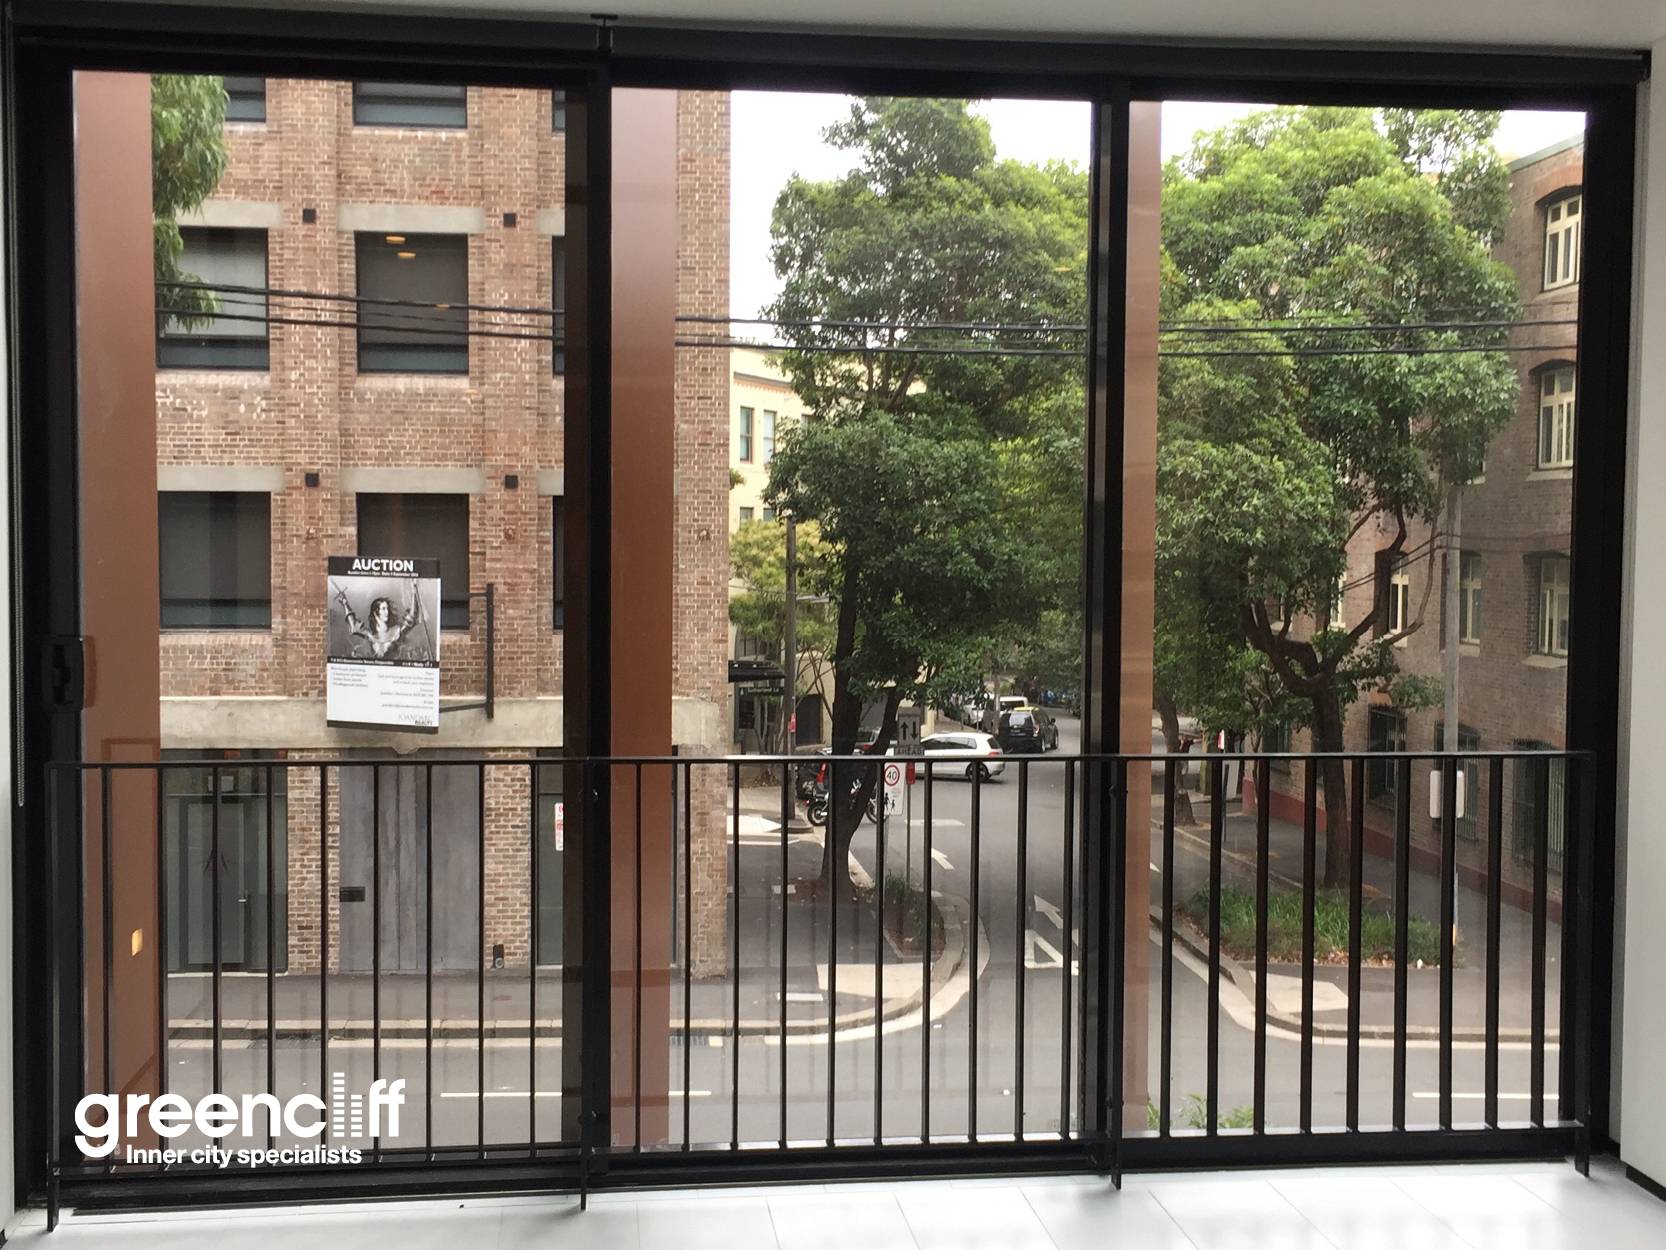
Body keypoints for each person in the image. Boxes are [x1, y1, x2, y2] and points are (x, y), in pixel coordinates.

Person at [336, 581, 425, 661]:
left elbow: (412, 618)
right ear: (375, 612)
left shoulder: (396, 632)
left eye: (387, 608)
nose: (387, 612)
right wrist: (345, 604)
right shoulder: (370, 635)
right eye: (383, 609)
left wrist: (414, 592)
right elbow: (354, 626)